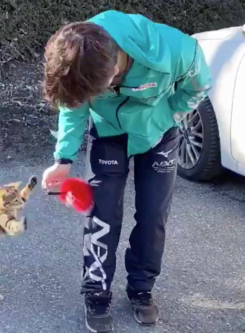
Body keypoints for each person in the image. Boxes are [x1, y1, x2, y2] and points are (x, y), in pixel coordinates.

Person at [41, 9, 212, 333]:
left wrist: (169, 115)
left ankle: (141, 289)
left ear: (114, 71)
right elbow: (73, 106)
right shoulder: (80, 55)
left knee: (152, 215)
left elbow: (200, 86)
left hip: (158, 132)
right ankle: (96, 292)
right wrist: (63, 159)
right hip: (108, 134)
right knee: (102, 214)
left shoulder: (174, 50)